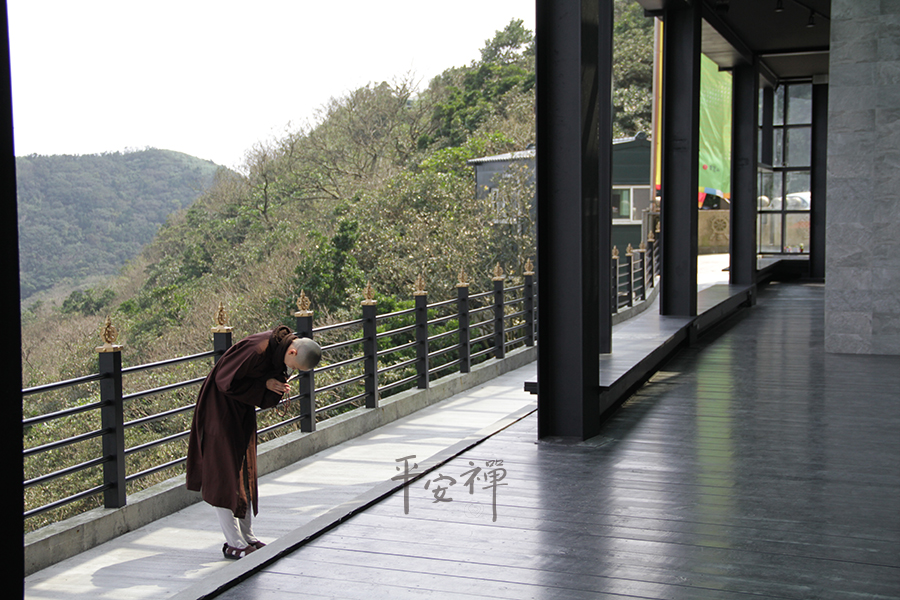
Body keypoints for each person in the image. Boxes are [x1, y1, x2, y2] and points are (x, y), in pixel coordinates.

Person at [186, 325, 322, 559]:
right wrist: (265, 385)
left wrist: (274, 383)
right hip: (219, 410)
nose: (292, 371)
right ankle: (233, 543)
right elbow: (223, 380)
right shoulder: (257, 349)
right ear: (292, 353)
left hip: (241, 409)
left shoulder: (279, 350)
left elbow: (263, 380)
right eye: (294, 367)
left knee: (244, 470)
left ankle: (247, 536)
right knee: (224, 474)